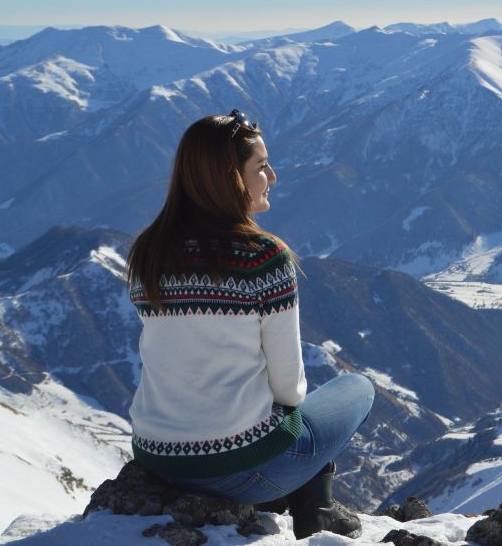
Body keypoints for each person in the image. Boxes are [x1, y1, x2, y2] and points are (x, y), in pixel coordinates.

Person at [126, 109, 374, 540]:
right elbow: (289, 390)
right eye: (261, 167)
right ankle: (316, 507)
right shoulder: (261, 257)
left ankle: (296, 499)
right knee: (357, 388)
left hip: (158, 458)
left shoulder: (149, 251)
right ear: (231, 178)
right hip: (242, 471)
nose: (272, 177)